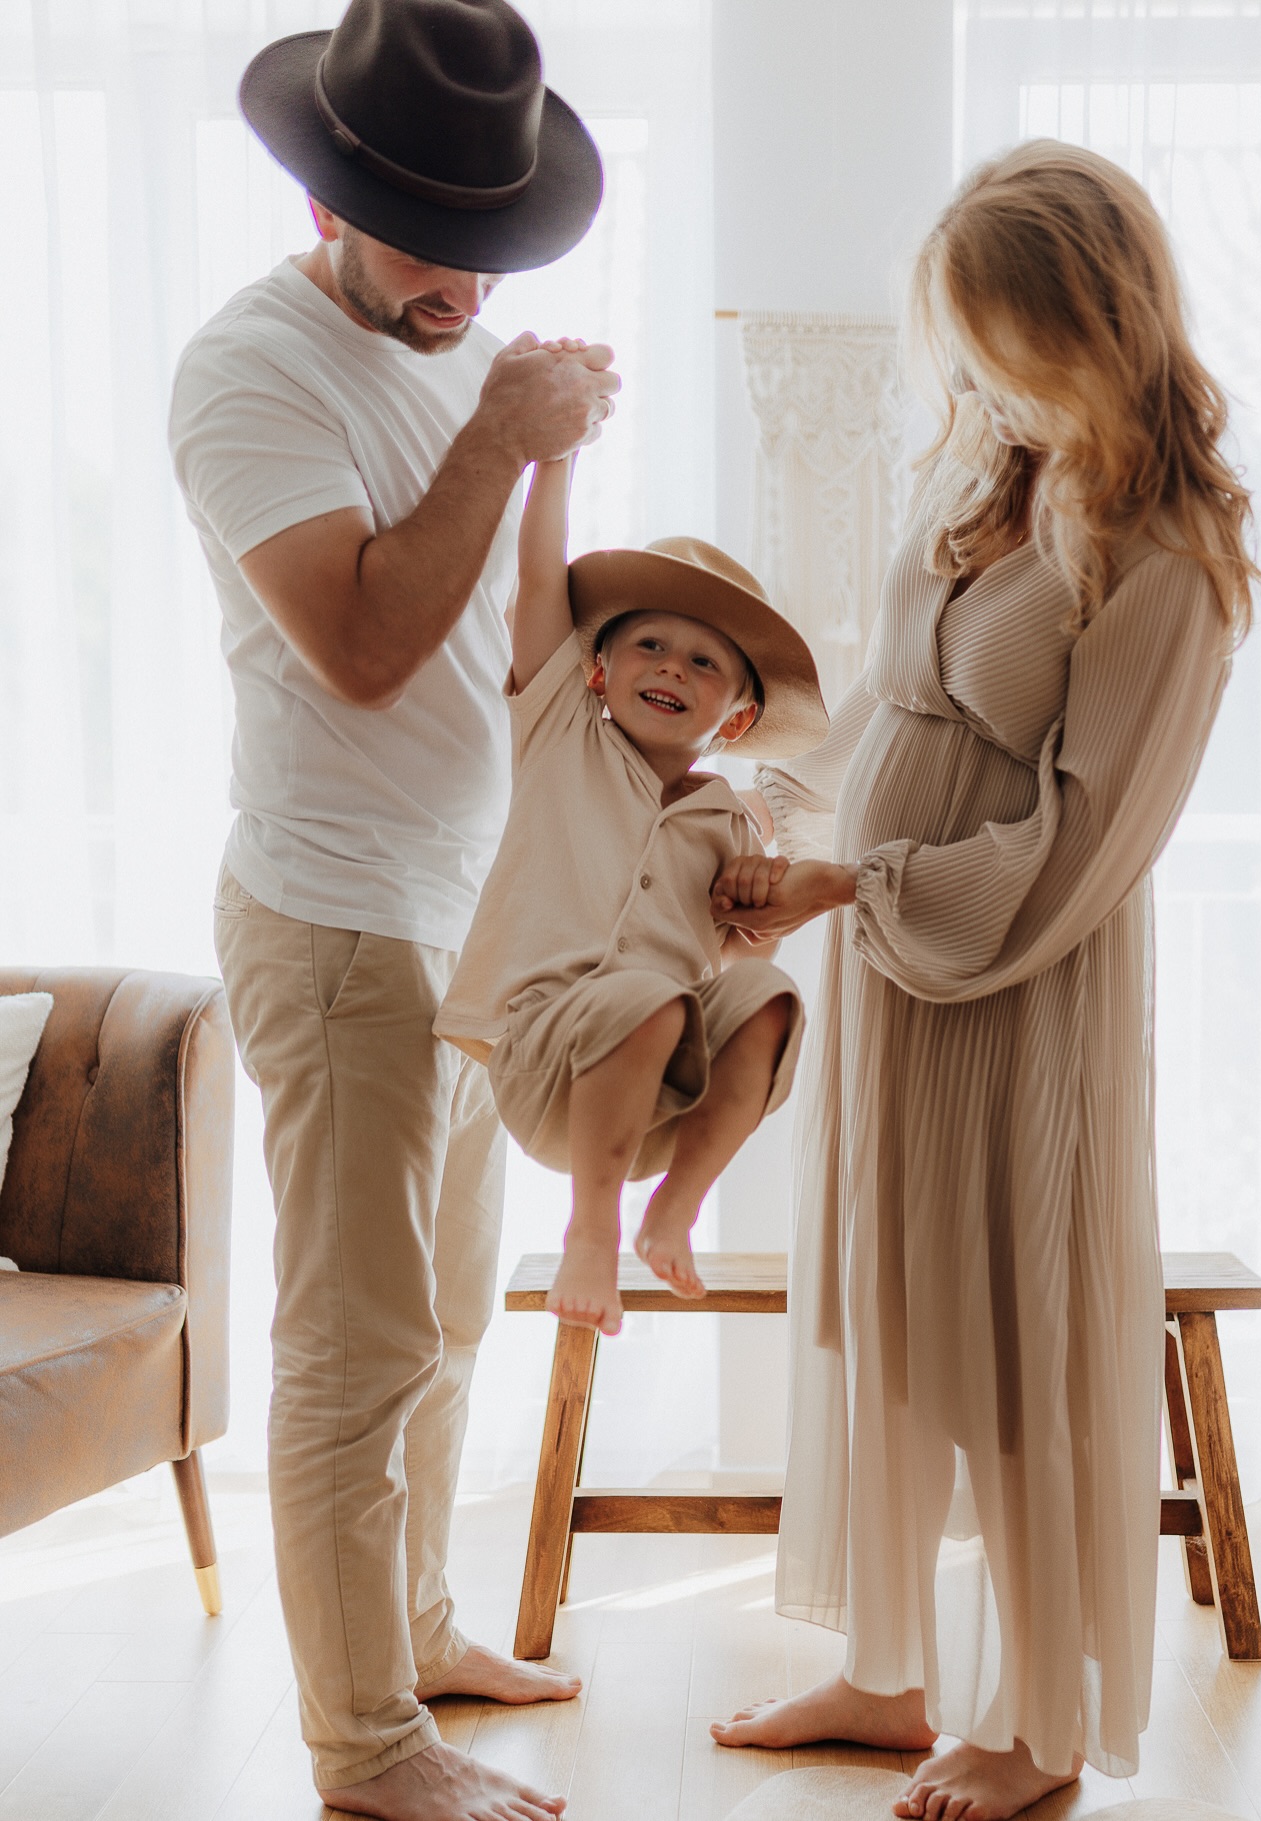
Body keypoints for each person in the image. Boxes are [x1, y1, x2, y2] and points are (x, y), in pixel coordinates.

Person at [707, 140, 1261, 1820]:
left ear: (1085, 324)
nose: (979, 386)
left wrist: (850, 880)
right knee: (893, 1312)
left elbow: (1086, 835)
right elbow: (897, 699)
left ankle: (1037, 1728)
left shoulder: (1169, 547)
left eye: (999, 352)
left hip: (1018, 990)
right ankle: (885, 1674)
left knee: (1018, 1344)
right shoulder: (992, 477)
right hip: (895, 969)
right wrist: (783, 781)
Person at [168, 1, 620, 1815]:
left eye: (492, 246)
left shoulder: (467, 355)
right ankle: (364, 1752)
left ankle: (416, 1632)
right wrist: (505, 433)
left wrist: (550, 456)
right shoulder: (248, 371)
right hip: (343, 925)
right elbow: (359, 645)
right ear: (322, 192)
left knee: (447, 1325)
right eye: (437, 243)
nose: (467, 283)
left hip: (465, 925)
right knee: (354, 1353)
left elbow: (509, 654)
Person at [433, 444, 827, 1334]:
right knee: (646, 997)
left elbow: (742, 946)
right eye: (650, 645)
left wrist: (760, 897)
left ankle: (673, 1208)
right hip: (547, 1058)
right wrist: (555, 460)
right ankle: (592, 1230)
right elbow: (541, 583)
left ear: (736, 718)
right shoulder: (562, 731)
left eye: (701, 664)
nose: (672, 669)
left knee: (771, 999)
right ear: (598, 669)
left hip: (662, 1092)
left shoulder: (730, 823)